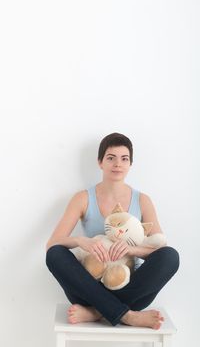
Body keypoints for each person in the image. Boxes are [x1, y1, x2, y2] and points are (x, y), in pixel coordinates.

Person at [46, 132, 179, 330]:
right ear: (100, 162)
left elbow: (159, 249)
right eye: (111, 158)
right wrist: (81, 241)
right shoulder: (82, 198)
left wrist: (131, 250)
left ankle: (96, 312)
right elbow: (52, 243)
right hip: (87, 288)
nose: (118, 164)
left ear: (130, 164)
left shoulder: (142, 200)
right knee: (55, 254)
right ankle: (128, 316)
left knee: (170, 256)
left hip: (129, 288)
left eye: (124, 159)